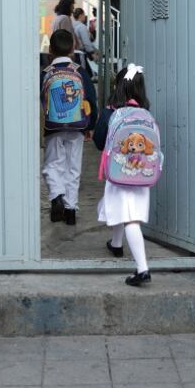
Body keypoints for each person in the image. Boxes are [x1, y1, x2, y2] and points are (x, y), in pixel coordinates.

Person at [94, 64, 153, 286]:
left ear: (118, 87)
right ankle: (116, 244)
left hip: (119, 175)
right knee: (126, 210)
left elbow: (100, 141)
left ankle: (142, 268)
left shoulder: (111, 112)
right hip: (141, 176)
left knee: (130, 219)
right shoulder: (145, 113)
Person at [41, 29, 97, 226]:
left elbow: (39, 101)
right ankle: (70, 210)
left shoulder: (46, 73)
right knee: (73, 167)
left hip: (53, 127)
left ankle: (56, 195)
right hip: (78, 127)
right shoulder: (79, 72)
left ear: (50, 51)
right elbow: (91, 98)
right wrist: (90, 125)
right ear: (73, 49)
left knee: (52, 165)